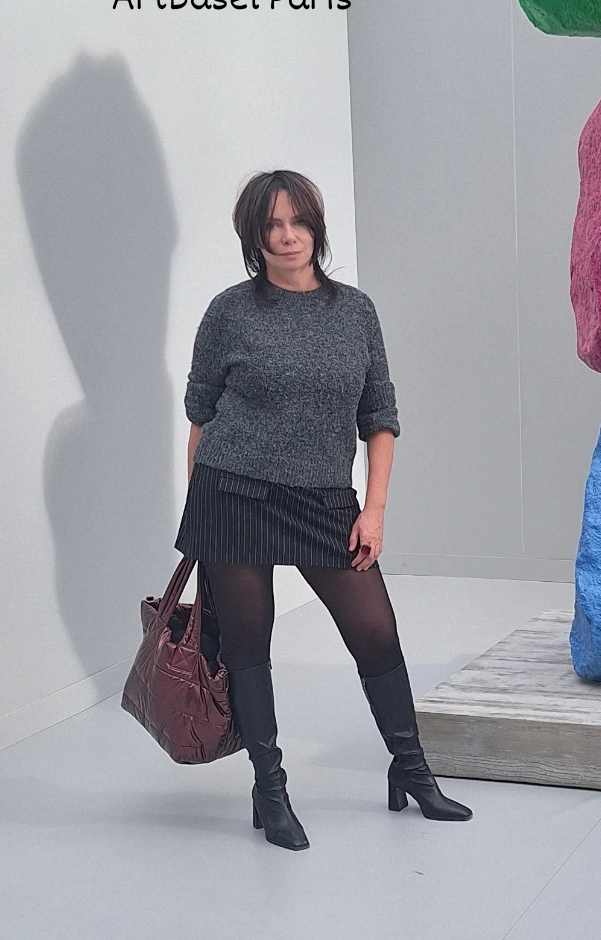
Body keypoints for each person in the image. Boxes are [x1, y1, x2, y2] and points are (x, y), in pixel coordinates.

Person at [174, 169, 472, 851]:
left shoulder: (355, 312)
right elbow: (201, 414)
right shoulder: (229, 312)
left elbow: (380, 416)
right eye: (272, 226)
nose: (287, 236)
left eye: (298, 221)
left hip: (324, 500)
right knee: (249, 644)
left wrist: (375, 509)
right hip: (232, 492)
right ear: (254, 238)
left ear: (316, 226)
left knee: (375, 632)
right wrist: (202, 508)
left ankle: (411, 770)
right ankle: (270, 788)